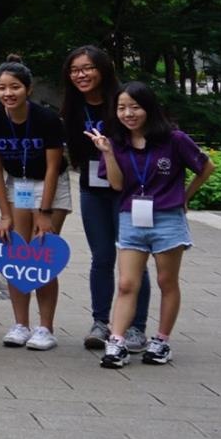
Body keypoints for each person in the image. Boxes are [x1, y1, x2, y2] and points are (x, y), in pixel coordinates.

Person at [86, 82, 214, 369]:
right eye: (121, 108)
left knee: (166, 281)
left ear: (149, 108)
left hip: (167, 218)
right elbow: (117, 184)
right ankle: (116, 342)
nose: (128, 113)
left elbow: (207, 167)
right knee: (127, 283)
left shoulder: (174, 139)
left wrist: (185, 196)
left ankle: (161, 340)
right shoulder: (116, 142)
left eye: (135, 107)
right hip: (131, 217)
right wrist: (106, 151)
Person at [63, 46, 149, 353]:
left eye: (87, 68)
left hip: (127, 191)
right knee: (101, 258)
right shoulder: (73, 106)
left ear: (103, 69)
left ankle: (137, 327)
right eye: (75, 70)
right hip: (92, 189)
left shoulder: (121, 102)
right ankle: (101, 323)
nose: (81, 75)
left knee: (134, 259)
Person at [0, 58, 68, 351]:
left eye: (15, 87)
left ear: (28, 89)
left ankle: (46, 327)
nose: (9, 93)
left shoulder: (46, 118)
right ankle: (20, 324)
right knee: (18, 255)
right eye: (2, 88)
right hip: (17, 185)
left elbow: (53, 167)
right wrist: (4, 214)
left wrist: (44, 213)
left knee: (42, 255)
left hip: (48, 185)